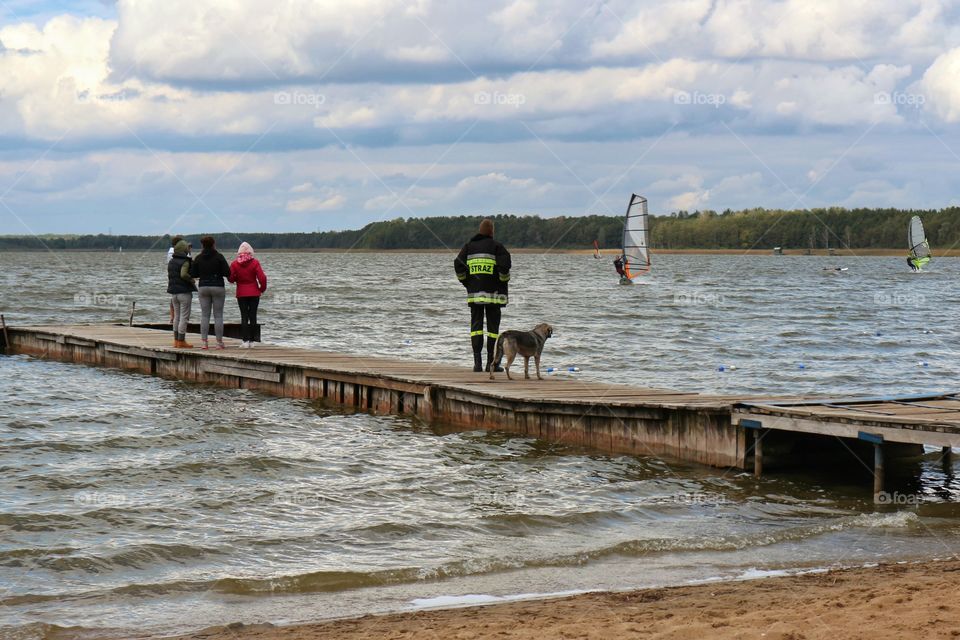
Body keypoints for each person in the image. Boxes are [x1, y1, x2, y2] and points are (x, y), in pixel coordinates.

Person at [454, 219, 511, 372]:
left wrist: (466, 283)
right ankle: (491, 365)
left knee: (476, 328)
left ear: (479, 231)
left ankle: (477, 364)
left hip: (475, 296)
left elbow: (458, 265)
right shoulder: (497, 247)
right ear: (492, 231)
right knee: (493, 330)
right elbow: (505, 268)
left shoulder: (468, 247)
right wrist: (502, 280)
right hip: (495, 296)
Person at [190, 235, 231, 350]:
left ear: (202, 245)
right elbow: (227, 272)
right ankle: (219, 343)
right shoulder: (219, 257)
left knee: (204, 315)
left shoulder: (198, 258)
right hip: (218, 286)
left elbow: (193, 274)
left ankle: (204, 343)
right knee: (218, 316)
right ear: (214, 244)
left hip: (203, 286)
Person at [229, 242, 267, 348]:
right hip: (254, 292)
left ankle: (245, 341)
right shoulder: (255, 262)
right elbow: (262, 278)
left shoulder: (234, 264)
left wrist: (237, 278)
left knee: (244, 317)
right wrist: (261, 289)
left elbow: (231, 278)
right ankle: (252, 341)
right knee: (253, 316)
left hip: (241, 293)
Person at [167, 239, 196, 348]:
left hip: (174, 292)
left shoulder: (171, 261)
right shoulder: (185, 261)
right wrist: (191, 279)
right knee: (184, 317)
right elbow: (183, 274)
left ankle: (176, 341)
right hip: (184, 292)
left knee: (177, 317)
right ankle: (181, 340)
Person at [167, 235, 184, 322]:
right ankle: (177, 318)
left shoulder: (170, 251)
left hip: (172, 277)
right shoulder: (177, 252)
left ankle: (172, 317)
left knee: (173, 298)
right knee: (181, 299)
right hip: (181, 278)